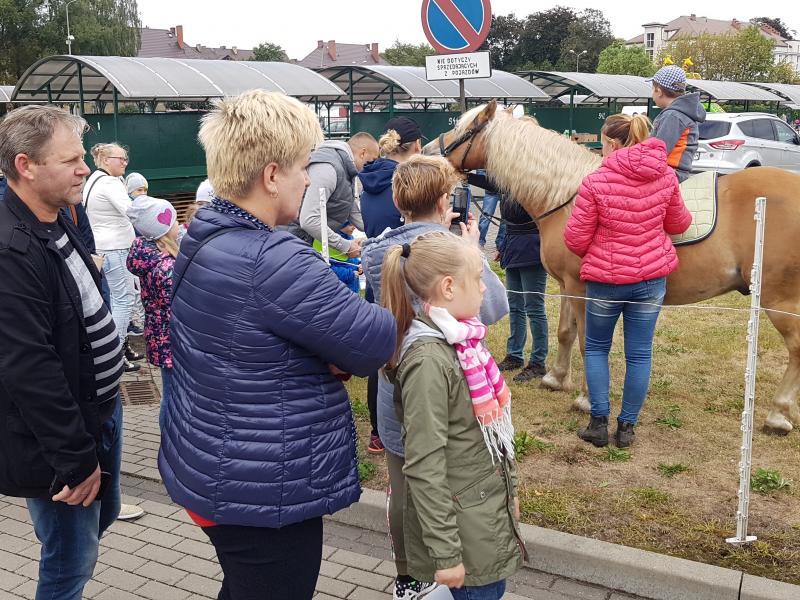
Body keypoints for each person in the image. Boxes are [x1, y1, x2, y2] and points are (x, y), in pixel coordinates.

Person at [158, 90, 397, 600]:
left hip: (217, 462)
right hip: (264, 484)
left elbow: (246, 340)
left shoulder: (206, 234)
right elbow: (374, 340)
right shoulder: (272, 258)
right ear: (271, 176)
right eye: (301, 167)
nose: (309, 178)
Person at [361, 155, 508, 600]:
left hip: (395, 390)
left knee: (403, 486)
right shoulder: (449, 253)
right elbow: (493, 307)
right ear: (446, 199)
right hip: (453, 391)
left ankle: (409, 574)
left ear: (397, 199)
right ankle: (452, 561)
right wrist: (470, 249)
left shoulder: (383, 253)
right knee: (451, 481)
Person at [0, 104, 125, 599]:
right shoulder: (10, 250)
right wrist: (76, 460)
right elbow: (28, 366)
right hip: (62, 437)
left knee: (98, 520)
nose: (86, 169)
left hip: (99, 410)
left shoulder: (57, 216)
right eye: (71, 160)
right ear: (26, 166)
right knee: (71, 560)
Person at [382, 230, 525, 599]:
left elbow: (481, 440)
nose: (482, 290)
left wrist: (509, 493)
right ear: (448, 287)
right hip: (464, 532)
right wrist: (446, 554)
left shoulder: (464, 343)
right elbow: (424, 464)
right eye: (477, 279)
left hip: (481, 516)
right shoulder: (430, 362)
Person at [564, 114, 692, 449]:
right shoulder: (665, 175)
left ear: (613, 143)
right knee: (639, 354)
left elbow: (575, 240)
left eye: (603, 143)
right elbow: (679, 223)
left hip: (606, 280)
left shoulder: (596, 181)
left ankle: (598, 422)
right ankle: (627, 428)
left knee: (595, 348)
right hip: (651, 279)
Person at [358, 116, 422, 454]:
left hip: (375, 276)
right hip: (404, 276)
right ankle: (405, 428)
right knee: (409, 350)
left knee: (381, 352)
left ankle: (377, 431)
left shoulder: (369, 179)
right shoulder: (404, 183)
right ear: (415, 147)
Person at [83, 142, 141, 372]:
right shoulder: (109, 183)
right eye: (121, 158)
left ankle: (121, 348)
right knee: (123, 301)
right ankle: (115, 354)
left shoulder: (95, 180)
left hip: (106, 247)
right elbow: (132, 211)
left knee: (117, 301)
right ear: (106, 160)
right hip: (116, 249)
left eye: (126, 158)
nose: (125, 162)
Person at [126, 196, 180, 431]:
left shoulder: (147, 256)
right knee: (173, 397)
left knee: (171, 393)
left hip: (159, 335)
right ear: (165, 227)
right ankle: (171, 441)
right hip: (174, 339)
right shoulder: (166, 267)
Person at [284, 132, 379, 258]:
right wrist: (346, 246)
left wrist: (380, 234)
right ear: (362, 153)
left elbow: (351, 210)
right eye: (371, 161)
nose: (371, 167)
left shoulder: (345, 169)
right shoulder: (328, 167)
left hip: (300, 241)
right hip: (290, 244)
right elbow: (309, 220)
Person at [495, 193, 549, 382]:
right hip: (512, 246)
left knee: (534, 308)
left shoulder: (532, 182)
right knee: (515, 306)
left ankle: (537, 362)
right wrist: (503, 246)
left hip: (532, 247)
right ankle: (514, 355)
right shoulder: (508, 183)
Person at [647, 65, 706, 182]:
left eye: (652, 89)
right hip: (676, 173)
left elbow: (658, 153)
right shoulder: (681, 113)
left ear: (658, 91)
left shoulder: (673, 116)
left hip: (670, 175)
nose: (652, 94)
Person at [313, 221, 362, 294]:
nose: (354, 227)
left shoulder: (351, 238)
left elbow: (352, 260)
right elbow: (328, 268)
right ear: (340, 225)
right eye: (350, 224)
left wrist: (360, 265)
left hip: (353, 288)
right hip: (339, 291)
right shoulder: (328, 242)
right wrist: (350, 274)